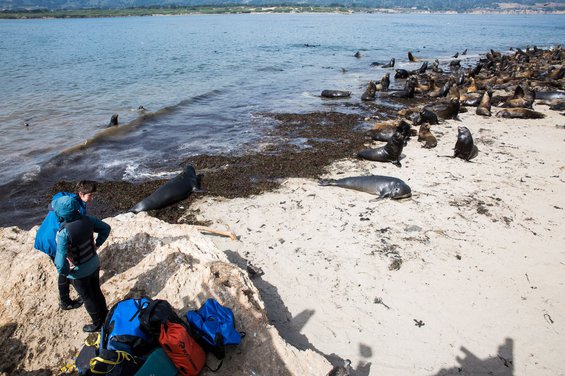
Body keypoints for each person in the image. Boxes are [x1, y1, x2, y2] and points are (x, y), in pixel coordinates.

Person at [34, 181, 98, 310]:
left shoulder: (63, 199)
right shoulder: (75, 208)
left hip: (45, 234)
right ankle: (65, 302)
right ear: (81, 193)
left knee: (66, 269)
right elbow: (66, 231)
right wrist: (68, 257)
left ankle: (69, 297)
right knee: (66, 271)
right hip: (52, 241)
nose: (92, 198)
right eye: (90, 195)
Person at [53, 195, 111, 332]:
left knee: (87, 297)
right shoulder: (88, 220)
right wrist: (97, 244)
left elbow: (60, 263)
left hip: (79, 272)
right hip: (94, 263)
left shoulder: (64, 233)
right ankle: (106, 315)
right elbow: (106, 228)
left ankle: (97, 324)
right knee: (96, 291)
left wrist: (67, 273)